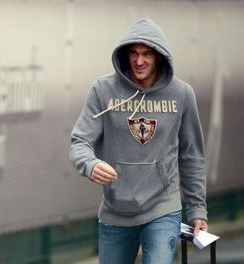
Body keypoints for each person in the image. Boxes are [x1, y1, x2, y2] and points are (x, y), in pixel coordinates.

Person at [69, 18, 208, 264]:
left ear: (160, 57)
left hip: (163, 207)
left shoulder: (182, 94)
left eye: (147, 54)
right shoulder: (102, 91)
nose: (139, 61)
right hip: (115, 211)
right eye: (133, 53)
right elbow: (79, 142)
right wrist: (90, 165)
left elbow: (192, 155)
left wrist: (197, 209)